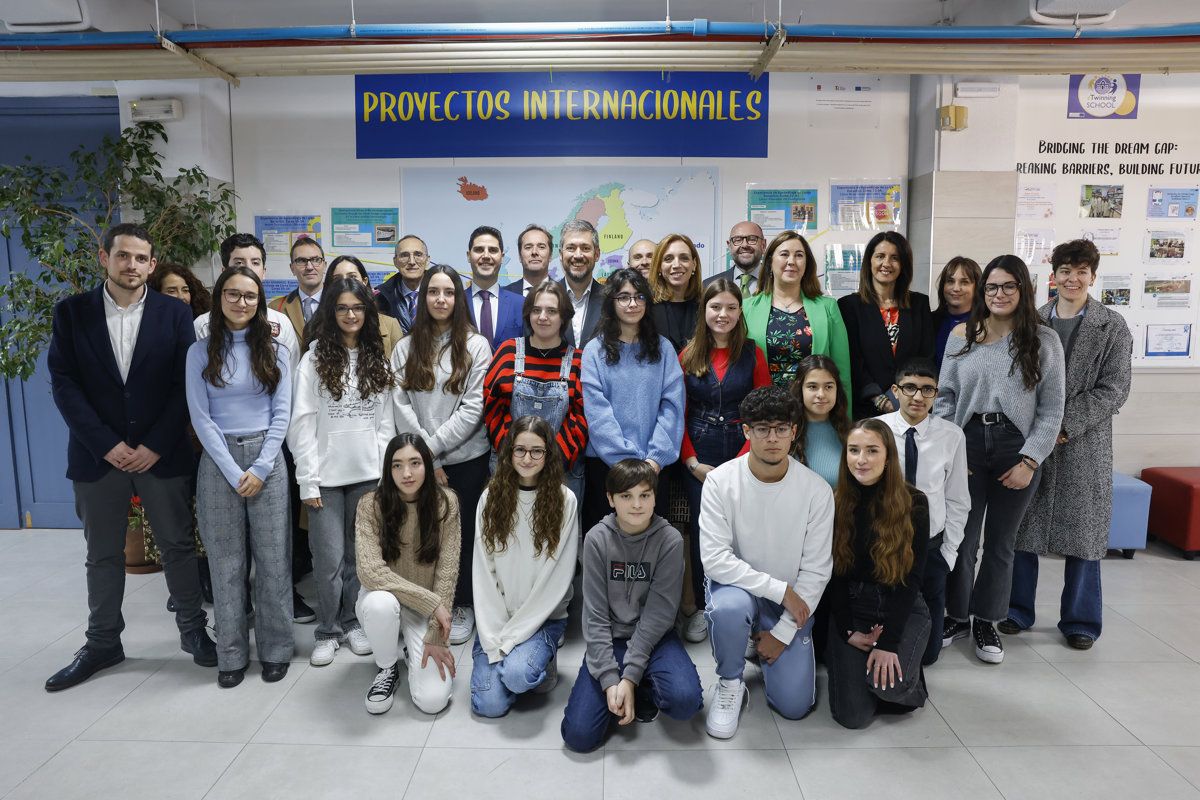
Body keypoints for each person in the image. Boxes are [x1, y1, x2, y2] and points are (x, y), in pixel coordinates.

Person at [45, 222, 216, 692]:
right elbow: (64, 384)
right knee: (102, 554)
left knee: (178, 546)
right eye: (123, 255)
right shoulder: (72, 313)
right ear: (105, 258)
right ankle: (102, 643)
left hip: (161, 454)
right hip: (97, 457)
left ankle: (193, 632)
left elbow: (186, 384)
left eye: (141, 258)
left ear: (152, 264)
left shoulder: (174, 314)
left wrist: (156, 444)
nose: (132, 265)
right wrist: (105, 443)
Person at [935, 255, 1065, 665]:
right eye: (992, 286)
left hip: (1016, 447)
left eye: (1009, 286)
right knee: (961, 538)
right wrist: (950, 454)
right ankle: (957, 615)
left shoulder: (1044, 341)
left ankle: (987, 620)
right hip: (967, 442)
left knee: (1001, 544)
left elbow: (1052, 409)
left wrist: (1030, 461)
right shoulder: (962, 335)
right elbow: (944, 399)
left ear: (1023, 289)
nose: (999, 294)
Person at [1002, 239, 1132, 651]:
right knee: (1023, 529)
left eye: (1081, 272)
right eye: (1065, 271)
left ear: (1092, 277)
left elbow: (1114, 389)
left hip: (1084, 445)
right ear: (1053, 275)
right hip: (1031, 440)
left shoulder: (1112, 326)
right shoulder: (1032, 321)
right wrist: (1039, 426)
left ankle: (1080, 621)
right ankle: (1015, 609)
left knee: (1085, 535)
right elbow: (1013, 380)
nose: (1072, 279)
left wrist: (1062, 424)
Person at [700, 385, 834, 739]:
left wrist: (783, 632)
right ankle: (730, 681)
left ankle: (759, 638)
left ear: (794, 431)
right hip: (739, 591)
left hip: (789, 603)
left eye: (781, 428)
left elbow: (817, 571)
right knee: (729, 609)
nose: (772, 438)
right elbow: (715, 561)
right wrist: (780, 590)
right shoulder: (719, 482)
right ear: (746, 431)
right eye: (762, 429)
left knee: (795, 707)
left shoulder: (817, 490)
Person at [186, 266, 293, 688]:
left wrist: (261, 467)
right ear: (219, 299)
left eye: (249, 296)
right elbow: (201, 418)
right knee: (226, 562)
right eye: (232, 294)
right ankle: (230, 654)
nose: (241, 302)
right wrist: (233, 471)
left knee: (273, 559)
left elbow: (282, 413)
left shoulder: (275, 350)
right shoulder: (199, 352)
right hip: (218, 462)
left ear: (259, 301)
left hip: (268, 457)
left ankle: (276, 649)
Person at [199, 233, 309, 621]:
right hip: (220, 450)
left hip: (272, 446)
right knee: (228, 546)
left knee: (275, 544)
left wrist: (268, 457)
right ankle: (235, 614)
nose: (247, 269)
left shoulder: (279, 328)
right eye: (237, 263)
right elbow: (201, 403)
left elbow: (288, 393)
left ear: (264, 271)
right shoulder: (202, 330)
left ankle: (279, 609)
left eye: (254, 263)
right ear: (223, 272)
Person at [289, 277, 397, 667]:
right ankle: (328, 631)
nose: (350, 315)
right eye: (342, 308)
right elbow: (301, 423)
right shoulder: (314, 359)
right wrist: (307, 479)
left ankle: (352, 623)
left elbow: (385, 423)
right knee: (328, 560)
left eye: (357, 308)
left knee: (358, 559)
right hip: (325, 481)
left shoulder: (376, 358)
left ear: (367, 312)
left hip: (367, 477)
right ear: (330, 312)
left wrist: (384, 477)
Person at [561, 459, 703, 751]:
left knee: (685, 701)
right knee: (578, 736)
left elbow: (658, 616)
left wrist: (629, 678)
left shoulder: (670, 540)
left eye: (644, 495)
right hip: (611, 638)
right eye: (626, 496)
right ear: (611, 499)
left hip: (656, 638)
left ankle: (641, 687)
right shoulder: (597, 539)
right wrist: (610, 679)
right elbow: (595, 616)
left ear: (654, 497)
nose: (637, 504)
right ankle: (624, 685)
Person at [390, 264, 491, 647]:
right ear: (423, 297)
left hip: (466, 458)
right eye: (433, 291)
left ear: (458, 298)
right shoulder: (405, 347)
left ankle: (461, 603)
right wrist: (426, 461)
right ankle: (424, 603)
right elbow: (400, 404)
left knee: (461, 536)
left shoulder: (476, 345)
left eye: (449, 292)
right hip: (418, 463)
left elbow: (472, 408)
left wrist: (430, 453)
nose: (441, 298)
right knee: (422, 533)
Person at [678, 279, 770, 643]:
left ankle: (746, 610)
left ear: (739, 311)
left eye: (731, 307)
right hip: (698, 457)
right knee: (704, 534)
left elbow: (762, 412)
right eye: (716, 307)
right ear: (704, 311)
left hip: (743, 454)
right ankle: (704, 608)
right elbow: (679, 414)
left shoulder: (752, 353)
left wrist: (743, 460)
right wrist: (691, 462)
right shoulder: (687, 355)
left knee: (744, 533)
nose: (723, 314)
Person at [825, 419, 931, 729]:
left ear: (887, 457)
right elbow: (834, 575)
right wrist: (847, 629)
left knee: (890, 689)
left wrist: (888, 643)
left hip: (900, 606)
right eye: (854, 450)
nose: (861, 459)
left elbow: (912, 580)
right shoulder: (835, 501)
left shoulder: (914, 503)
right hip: (853, 606)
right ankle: (866, 676)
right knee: (853, 717)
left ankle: (898, 676)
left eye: (872, 450)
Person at [471, 416, 579, 717]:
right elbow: (484, 572)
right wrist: (496, 634)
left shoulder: (565, 501)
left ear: (548, 454)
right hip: (498, 618)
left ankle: (537, 658)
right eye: (520, 450)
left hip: (542, 619)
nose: (527, 458)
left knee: (518, 676)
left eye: (536, 451)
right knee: (489, 706)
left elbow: (557, 580)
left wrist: (514, 637)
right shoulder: (490, 498)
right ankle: (519, 662)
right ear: (509, 452)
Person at [354, 433, 460, 715]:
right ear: (388, 470)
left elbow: (447, 573)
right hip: (382, 599)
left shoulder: (446, 503)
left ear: (427, 464)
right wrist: (432, 602)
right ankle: (387, 668)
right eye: (397, 465)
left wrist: (436, 634)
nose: (407, 473)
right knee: (381, 604)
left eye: (415, 463)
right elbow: (370, 572)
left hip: (422, 611)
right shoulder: (370, 504)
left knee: (433, 701)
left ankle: (409, 651)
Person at [580, 267, 684, 534]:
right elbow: (597, 413)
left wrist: (653, 460)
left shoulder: (664, 349)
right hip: (606, 466)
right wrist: (626, 462)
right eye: (624, 297)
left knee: (651, 547)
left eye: (639, 297)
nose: (632, 303)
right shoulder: (594, 350)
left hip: (654, 467)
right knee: (605, 545)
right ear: (611, 302)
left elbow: (672, 407)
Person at [878, 358, 969, 666]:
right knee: (884, 629)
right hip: (886, 544)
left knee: (928, 656)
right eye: (910, 388)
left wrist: (948, 554)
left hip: (930, 547)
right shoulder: (876, 430)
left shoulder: (952, 436)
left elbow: (958, 499)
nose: (918, 397)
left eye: (927, 389)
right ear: (895, 391)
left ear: (936, 394)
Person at [483, 280, 587, 473]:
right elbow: (493, 409)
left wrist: (552, 461)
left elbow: (580, 419)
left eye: (552, 311)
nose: (542, 317)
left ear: (564, 316)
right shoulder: (508, 352)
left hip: (560, 471)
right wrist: (518, 456)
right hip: (509, 467)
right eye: (536, 310)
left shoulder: (578, 361)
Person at [838, 232, 934, 419]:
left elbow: (926, 356)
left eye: (894, 258)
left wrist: (906, 395)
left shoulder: (919, 304)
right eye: (880, 256)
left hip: (911, 406)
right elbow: (853, 360)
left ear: (903, 264)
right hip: (866, 409)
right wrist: (878, 398)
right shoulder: (849, 306)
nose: (886, 263)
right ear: (869, 261)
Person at [743, 231, 851, 396]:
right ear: (770, 262)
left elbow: (842, 372)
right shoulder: (747, 308)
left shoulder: (828, 307)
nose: (791, 261)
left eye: (799, 255)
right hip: (764, 408)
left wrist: (843, 412)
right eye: (784, 254)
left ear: (807, 263)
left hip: (813, 406)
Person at [321, 254, 405, 356]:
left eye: (352, 277)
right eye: (338, 279)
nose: (346, 283)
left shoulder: (390, 325)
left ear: (364, 282)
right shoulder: (319, 326)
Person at [789, 354, 852, 489]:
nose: (821, 394)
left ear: (837, 390)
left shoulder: (851, 433)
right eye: (812, 387)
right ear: (800, 389)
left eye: (828, 387)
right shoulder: (784, 433)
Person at [465, 225, 524, 351]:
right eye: (479, 250)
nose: (486, 255)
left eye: (492, 250)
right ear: (469, 256)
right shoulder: (454, 303)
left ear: (502, 257)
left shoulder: (521, 304)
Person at [648, 233, 702, 353]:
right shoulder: (645, 308)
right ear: (659, 266)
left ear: (694, 264)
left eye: (684, 258)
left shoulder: (707, 306)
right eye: (668, 259)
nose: (677, 265)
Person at [558, 219, 605, 348]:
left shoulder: (611, 300)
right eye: (571, 248)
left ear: (597, 255)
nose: (578, 255)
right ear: (561, 254)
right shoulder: (544, 299)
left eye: (585, 248)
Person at [270, 236, 326, 340]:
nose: (309, 267)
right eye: (301, 261)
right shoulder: (276, 309)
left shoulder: (340, 304)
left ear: (324, 266)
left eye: (315, 260)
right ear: (292, 269)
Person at [932, 256, 981, 370]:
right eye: (950, 281)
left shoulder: (986, 324)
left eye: (964, 282)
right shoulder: (929, 321)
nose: (956, 288)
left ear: (977, 288)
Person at [376, 234, 430, 333]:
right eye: (404, 255)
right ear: (395, 261)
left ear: (427, 260)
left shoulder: (443, 295)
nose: (412, 262)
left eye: (418, 255)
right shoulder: (381, 299)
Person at [706, 220, 766, 294]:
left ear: (763, 245)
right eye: (738, 240)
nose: (744, 245)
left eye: (752, 239)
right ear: (729, 246)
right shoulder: (708, 285)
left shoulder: (777, 282)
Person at [504, 224, 552, 296]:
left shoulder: (565, 294)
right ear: (520, 256)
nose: (534, 252)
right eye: (528, 247)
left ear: (550, 255)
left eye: (541, 247)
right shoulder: (503, 295)